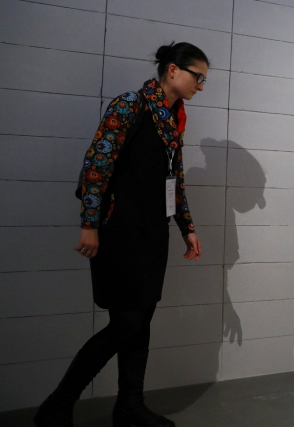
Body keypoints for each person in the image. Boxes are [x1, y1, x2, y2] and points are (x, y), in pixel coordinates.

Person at [34, 42, 208, 427]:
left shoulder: (173, 118)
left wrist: (187, 228)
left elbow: (174, 180)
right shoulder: (131, 105)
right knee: (127, 323)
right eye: (198, 77)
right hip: (120, 234)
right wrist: (89, 224)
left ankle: (130, 407)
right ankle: (57, 406)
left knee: (141, 321)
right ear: (174, 70)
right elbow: (97, 165)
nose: (200, 86)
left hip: (152, 234)